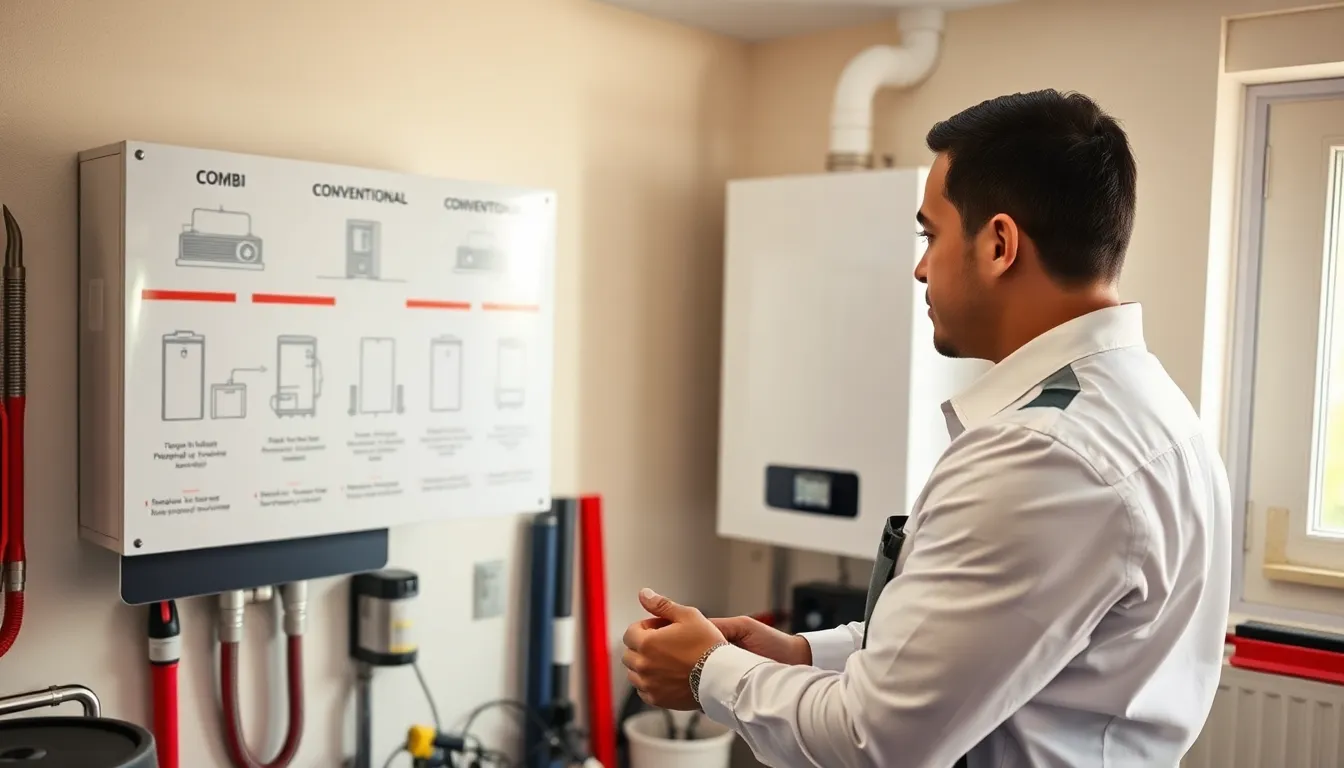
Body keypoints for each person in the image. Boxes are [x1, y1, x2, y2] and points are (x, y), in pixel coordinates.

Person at [620, 89, 1232, 768]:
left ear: (998, 244)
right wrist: (800, 653)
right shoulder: (1149, 407)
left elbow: (874, 740)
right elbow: (970, 647)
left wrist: (707, 673)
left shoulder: (1041, 457)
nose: (919, 267)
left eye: (930, 236)